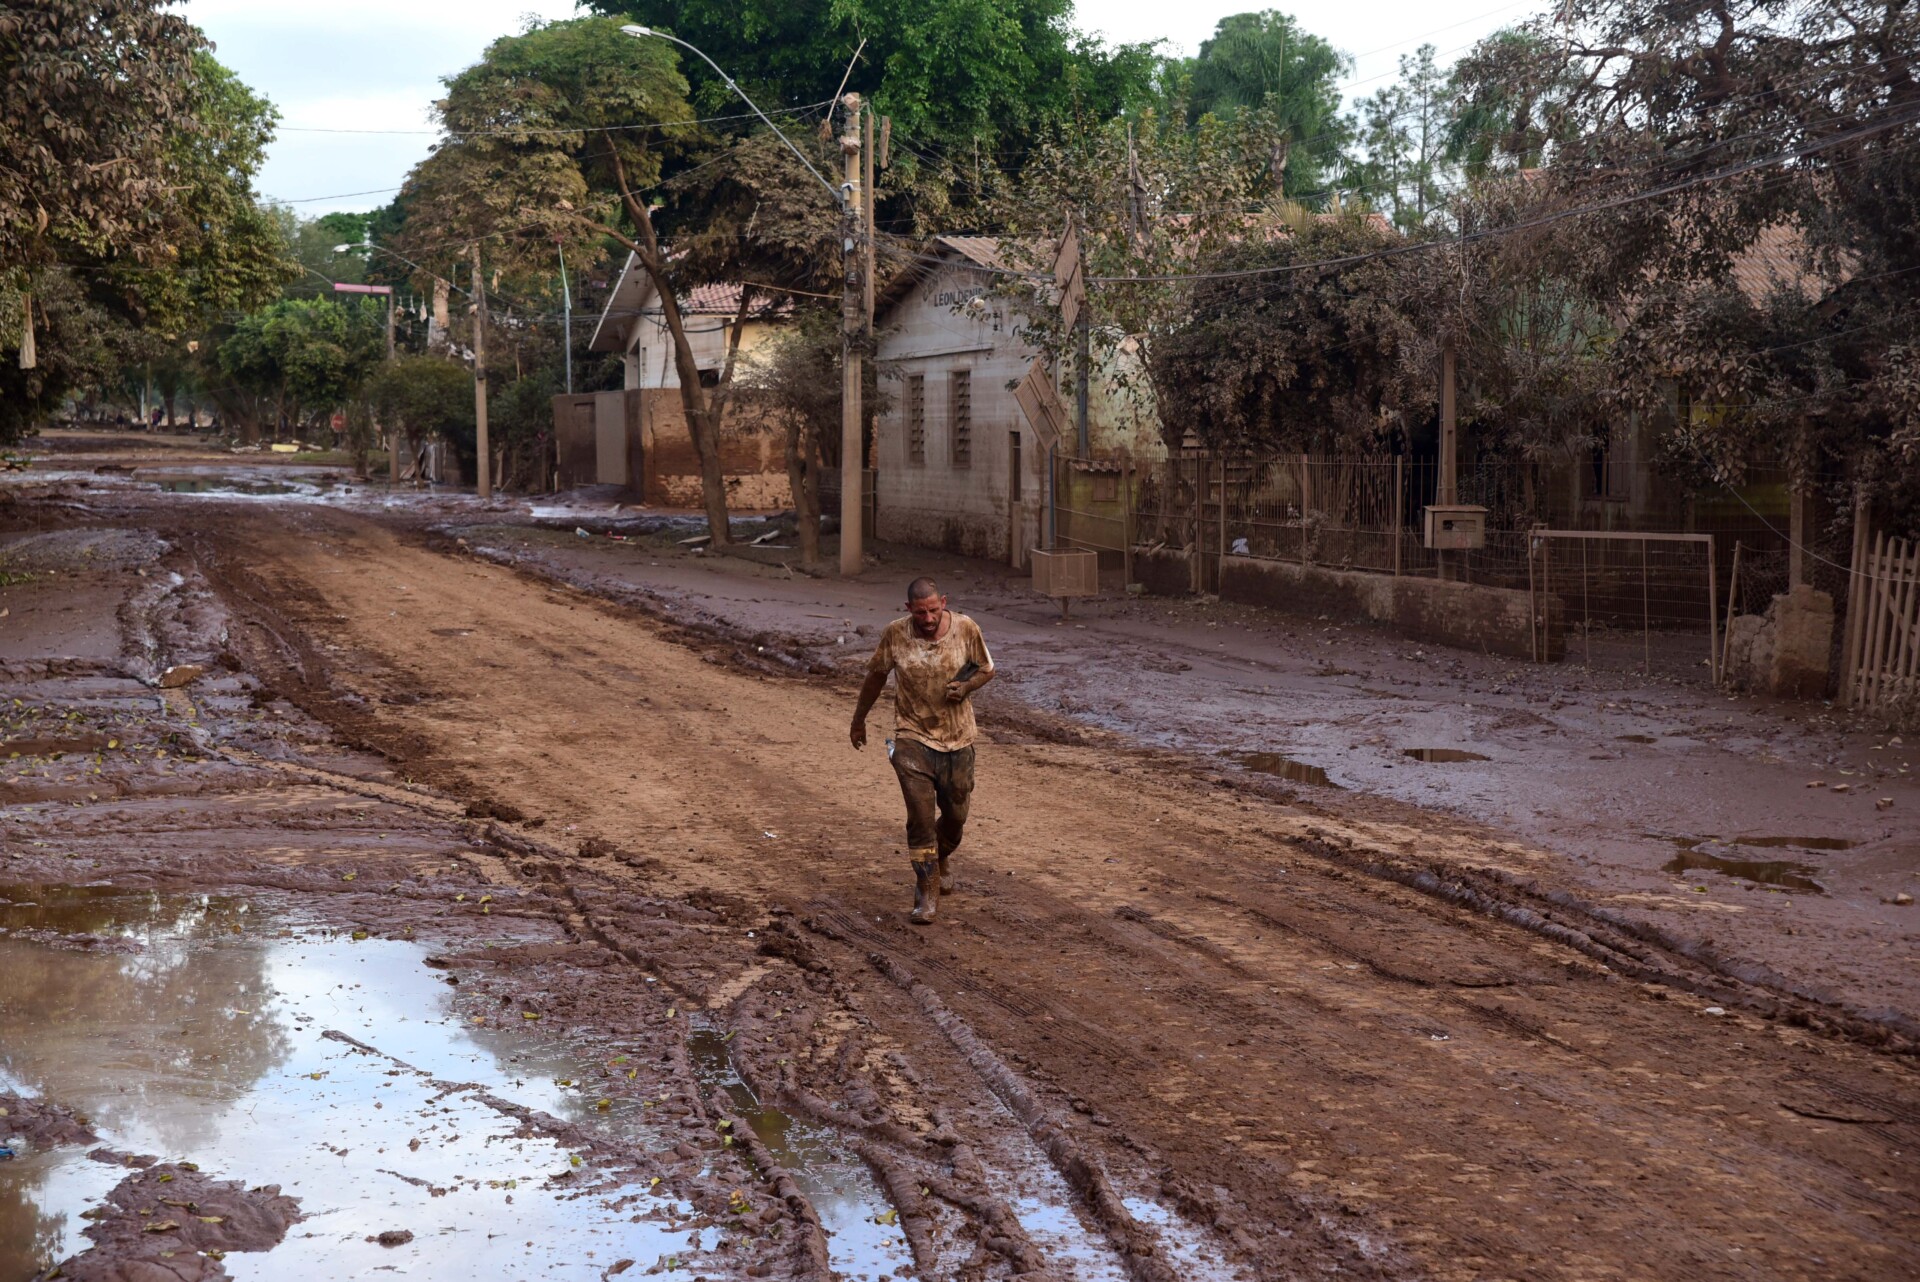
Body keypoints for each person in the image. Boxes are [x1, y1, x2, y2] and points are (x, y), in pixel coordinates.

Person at [850, 577, 996, 924]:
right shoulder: (896, 634)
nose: (928, 618)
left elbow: (986, 669)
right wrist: (859, 720)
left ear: (943, 602)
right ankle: (926, 891)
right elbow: (875, 677)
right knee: (919, 817)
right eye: (920, 612)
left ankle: (940, 854)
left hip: (958, 738)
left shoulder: (966, 628)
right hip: (912, 736)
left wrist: (966, 687)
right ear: (908, 610)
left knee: (956, 816)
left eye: (933, 610)